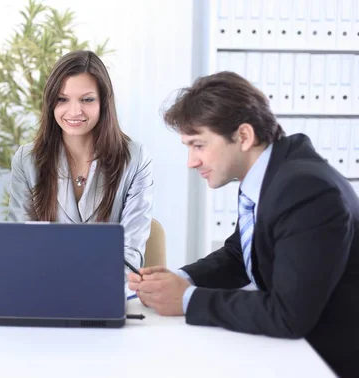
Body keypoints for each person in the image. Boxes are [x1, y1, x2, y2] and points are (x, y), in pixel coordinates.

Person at [128, 71, 359, 377]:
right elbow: (240, 254)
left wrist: (186, 299)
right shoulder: (271, 173)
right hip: (290, 350)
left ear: (244, 136)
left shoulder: (306, 190)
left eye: (198, 145)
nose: (191, 161)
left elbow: (289, 315)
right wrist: (178, 279)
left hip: (324, 361)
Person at [8, 50, 154, 277]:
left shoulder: (134, 158)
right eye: (62, 99)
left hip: (107, 287)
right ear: (50, 103)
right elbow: (21, 245)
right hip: (44, 286)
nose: (74, 111)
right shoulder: (27, 160)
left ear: (103, 102)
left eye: (87, 99)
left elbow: (130, 252)